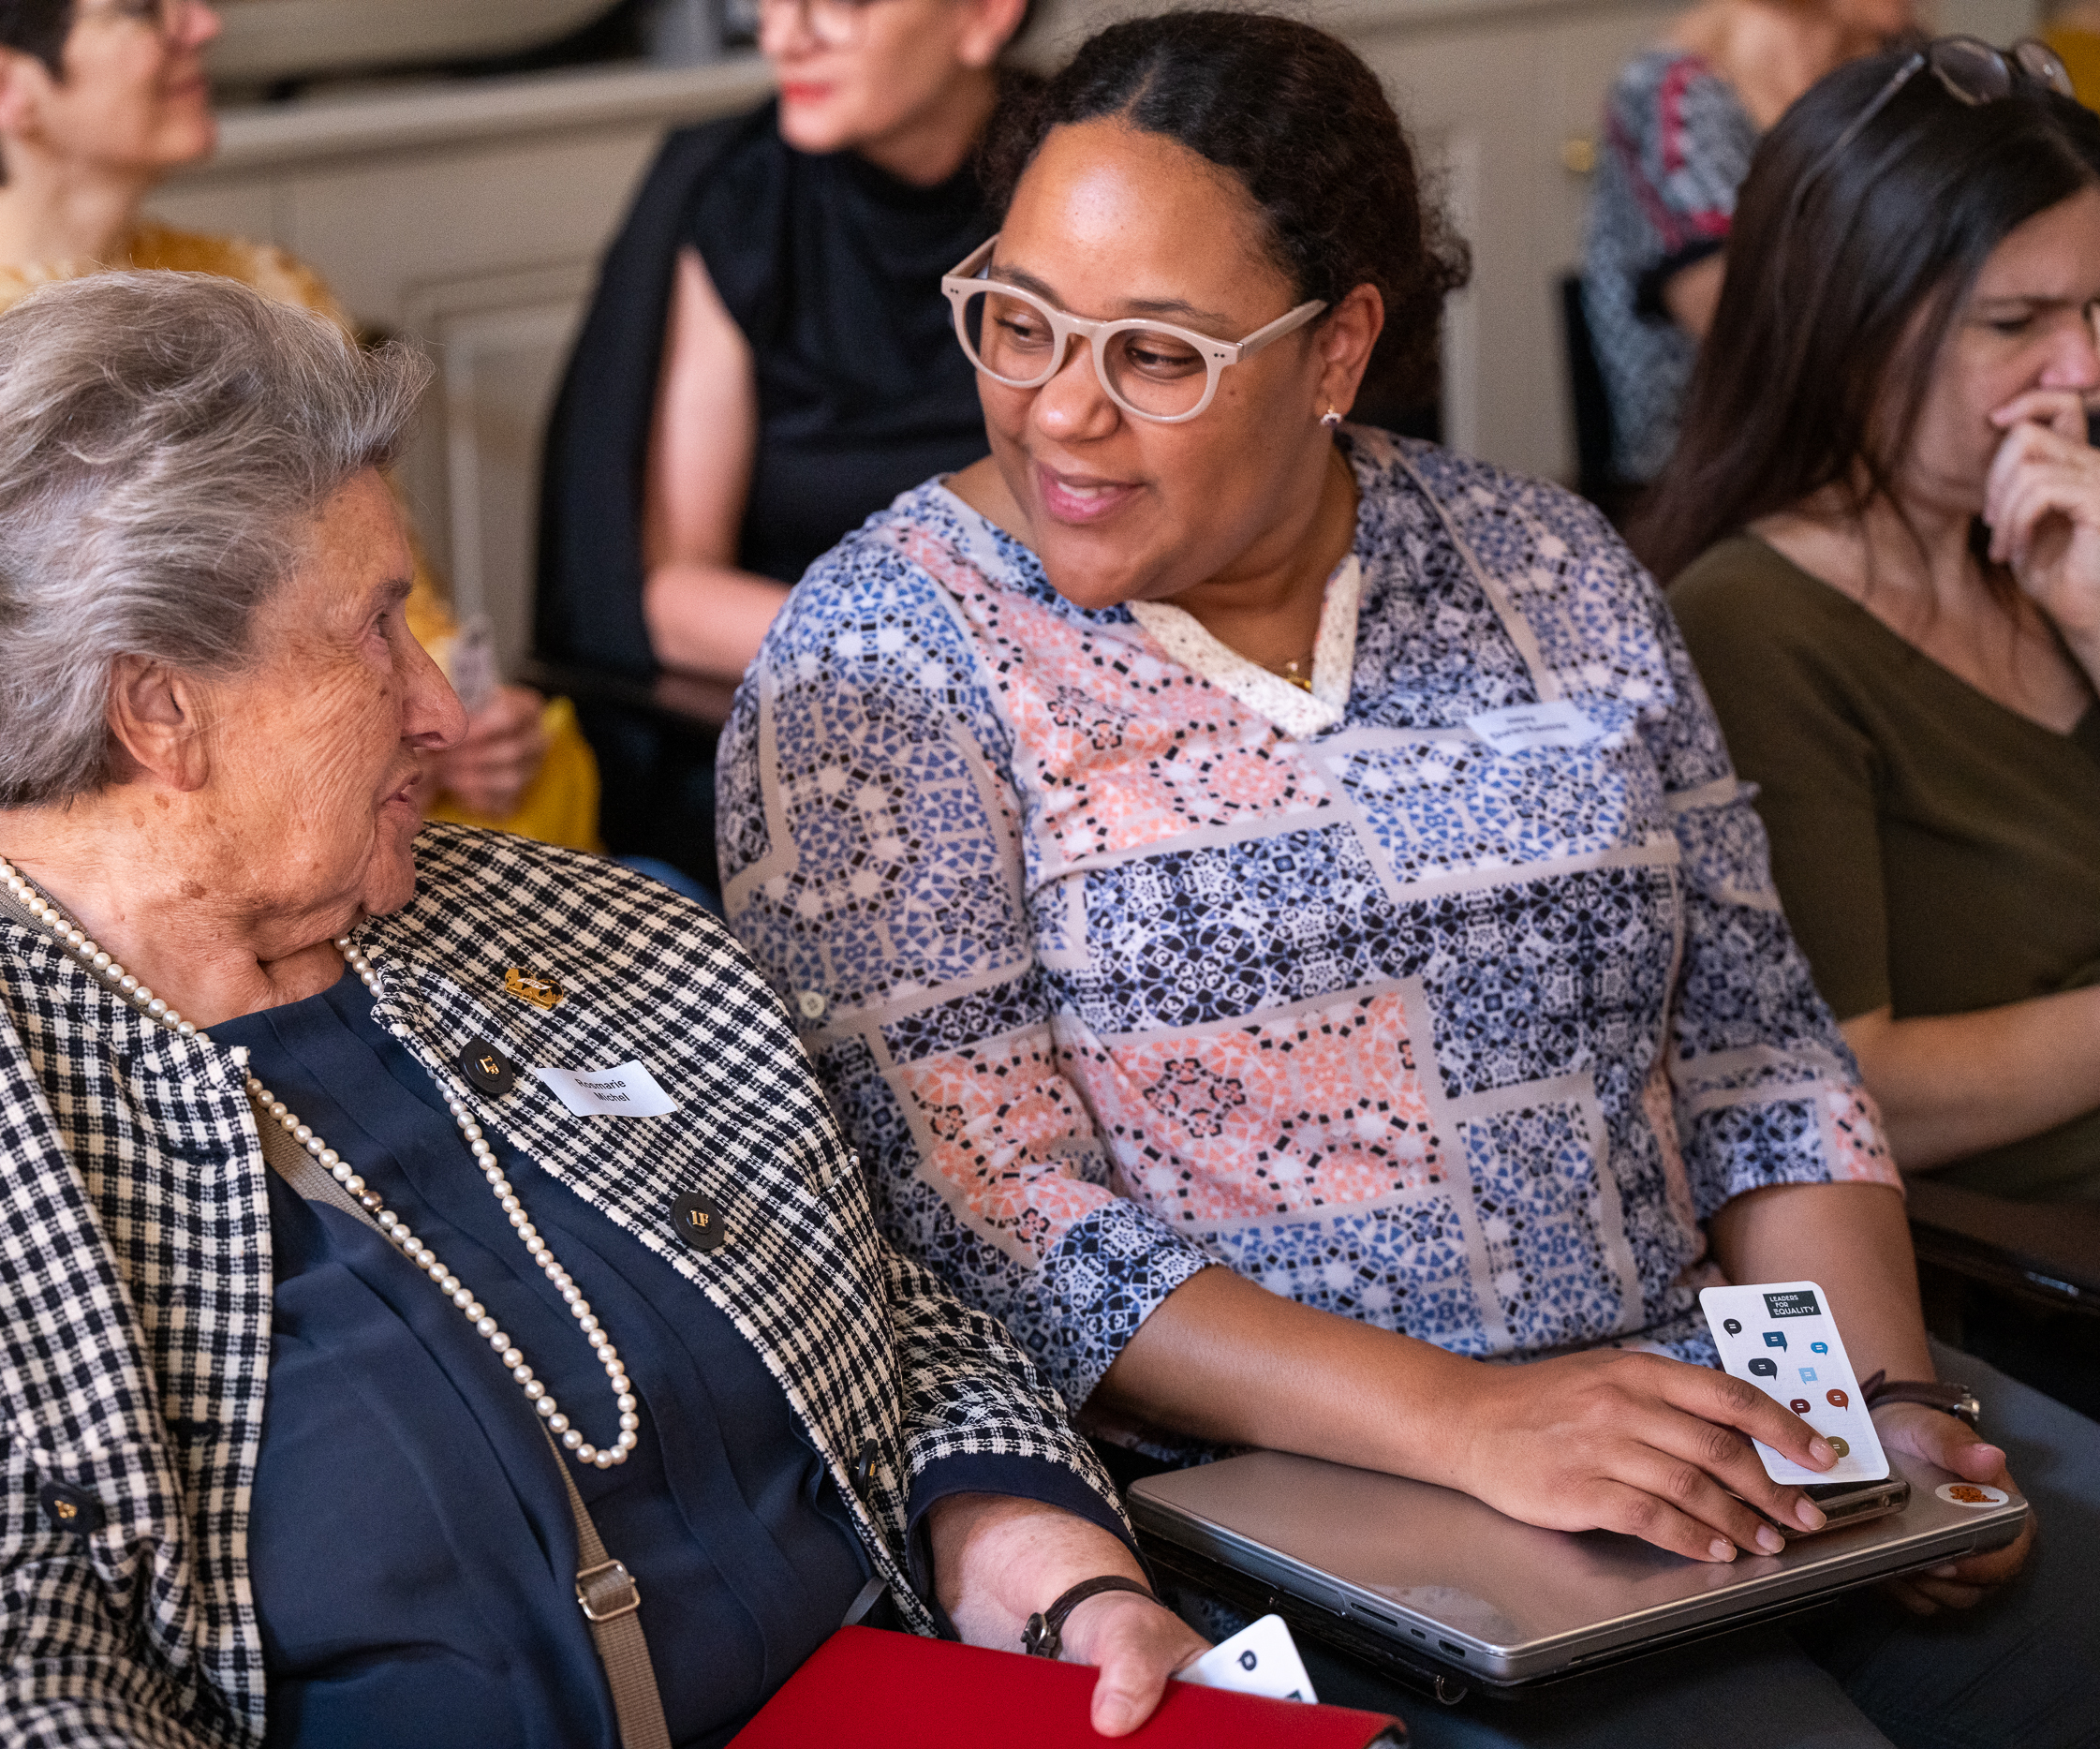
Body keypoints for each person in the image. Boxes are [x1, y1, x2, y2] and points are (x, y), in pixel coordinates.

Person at [719, 13, 2099, 1742]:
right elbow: (991, 1221)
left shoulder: (1543, 562)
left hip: (1708, 1421)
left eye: (1157, 351)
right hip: (1285, 1493)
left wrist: (1877, 1400)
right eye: (1019, 318)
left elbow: (1758, 1047)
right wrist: (1470, 1420)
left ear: (1337, 346)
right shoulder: (884, 662)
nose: (1060, 405)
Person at [0, 272, 1209, 1747]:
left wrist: (1043, 1555)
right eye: (374, 628)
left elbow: (890, 1321)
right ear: (159, 709)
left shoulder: (596, 925)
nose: (442, 706)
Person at [0, 0, 598, 851]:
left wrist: (473, 723)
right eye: (141, 9)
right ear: (0, 84)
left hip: (401, 816)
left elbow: (392, 596)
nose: (200, 24)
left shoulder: (269, 285)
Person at [1646, 41, 2100, 1205]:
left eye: (2097, 310)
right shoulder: (1753, 624)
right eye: (2015, 322)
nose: (2081, 369)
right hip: (2026, 1265)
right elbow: (1848, 1084)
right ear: (1846, 331)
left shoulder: (2063, 535)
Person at [536, 0, 1026, 882]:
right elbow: (666, 598)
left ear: (988, 15)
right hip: (802, 720)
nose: (781, 34)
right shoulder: (736, 194)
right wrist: (951, 653)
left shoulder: (1082, 173)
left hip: (1070, 708)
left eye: (837, 3)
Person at [1579, 0, 1911, 487]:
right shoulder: (1674, 95)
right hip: (1723, 472)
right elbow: (1743, 323)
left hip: (1878, 432)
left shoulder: (1892, 67)